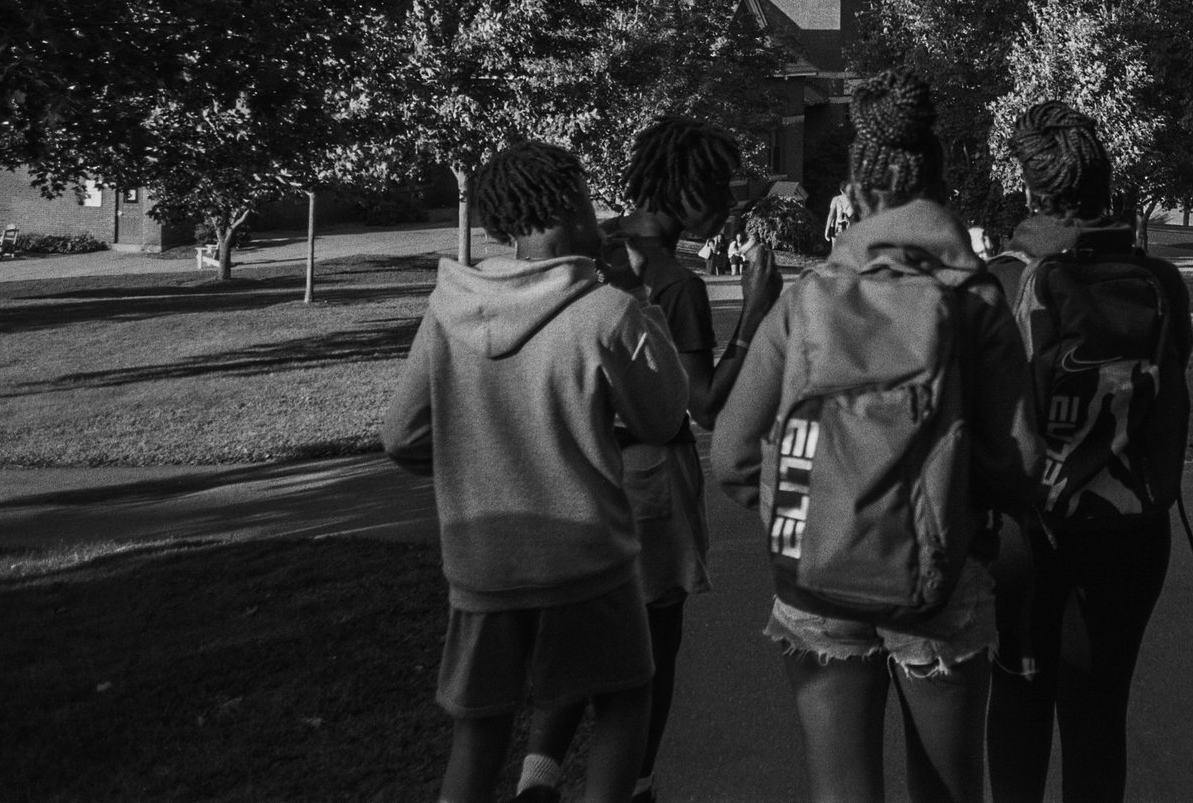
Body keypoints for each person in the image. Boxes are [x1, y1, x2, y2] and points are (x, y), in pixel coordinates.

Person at [714, 71, 1043, 803]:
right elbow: (1021, 462)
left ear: (856, 201)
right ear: (941, 193)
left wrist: (802, 513)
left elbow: (734, 453)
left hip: (816, 578)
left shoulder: (807, 301)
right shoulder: (975, 298)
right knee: (949, 790)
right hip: (938, 579)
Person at [382, 140, 690, 803]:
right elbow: (664, 419)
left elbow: (402, 437)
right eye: (586, 197)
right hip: (587, 563)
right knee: (624, 698)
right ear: (564, 209)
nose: (598, 212)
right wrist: (641, 303)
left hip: (483, 561)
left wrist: (475, 462)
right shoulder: (606, 312)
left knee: (478, 736)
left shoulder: (447, 312)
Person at [514, 119, 785, 803]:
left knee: (580, 633)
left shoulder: (585, 249)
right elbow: (705, 405)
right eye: (719, 186)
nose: (727, 201)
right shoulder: (673, 282)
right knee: (653, 653)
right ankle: (635, 785)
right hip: (647, 479)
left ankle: (537, 773)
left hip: (571, 468)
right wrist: (755, 313)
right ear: (688, 190)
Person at [983, 101, 1193, 803]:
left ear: (1029, 191)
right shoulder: (1159, 282)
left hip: (1025, 528)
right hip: (1131, 521)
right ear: (1107, 186)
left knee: (1018, 698)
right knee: (1099, 713)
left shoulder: (1003, 281)